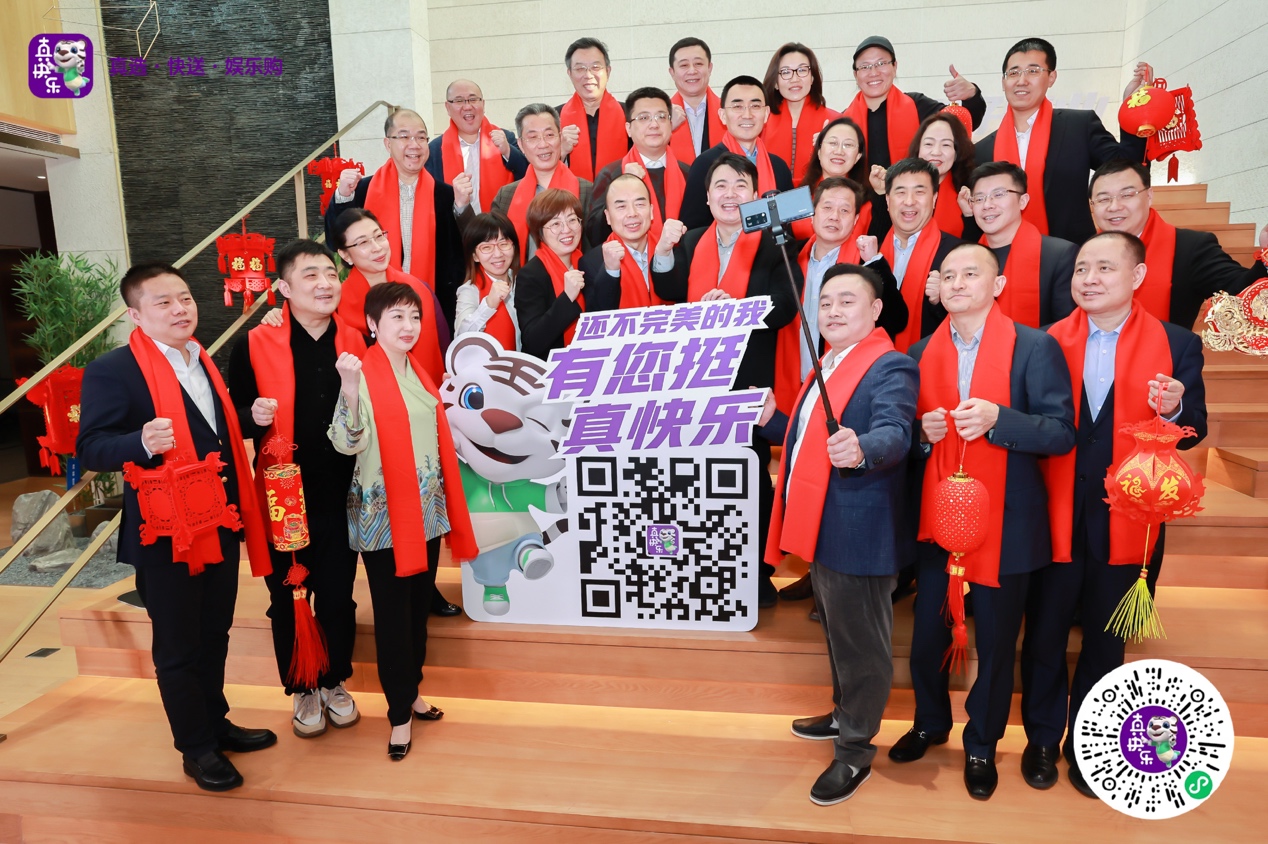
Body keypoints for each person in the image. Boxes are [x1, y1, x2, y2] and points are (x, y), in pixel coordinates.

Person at [1020, 231, 1207, 797]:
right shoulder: (1047, 340)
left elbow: (1195, 425)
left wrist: (1174, 406)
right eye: (1082, 268)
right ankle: (1041, 739)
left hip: (1129, 516)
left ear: (1137, 276)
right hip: (1055, 509)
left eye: (1104, 267)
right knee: (1045, 632)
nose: (1090, 278)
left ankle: (1089, 744)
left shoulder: (1177, 343)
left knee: (1106, 640)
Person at [77, 262, 277, 792]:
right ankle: (196, 747)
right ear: (135, 314)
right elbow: (91, 447)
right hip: (165, 531)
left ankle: (217, 722)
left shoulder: (201, 358)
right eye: (163, 302)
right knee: (178, 644)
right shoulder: (113, 370)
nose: (179, 309)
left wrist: (249, 417)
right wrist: (140, 442)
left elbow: (210, 431)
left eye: (184, 298)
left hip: (219, 520)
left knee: (214, 633)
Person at [894, 243, 1075, 801]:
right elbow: (907, 441)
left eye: (971, 273)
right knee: (927, 634)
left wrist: (1001, 420)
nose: (957, 283)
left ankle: (982, 743)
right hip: (941, 515)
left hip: (1008, 519)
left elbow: (1061, 432)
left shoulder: (1034, 346)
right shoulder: (920, 351)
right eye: (948, 275)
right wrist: (922, 437)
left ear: (997, 286)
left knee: (995, 644)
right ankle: (929, 721)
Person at [761, 264, 919, 806]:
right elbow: (812, 439)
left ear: (875, 310)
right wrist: (774, 420)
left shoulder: (890, 364)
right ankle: (843, 713)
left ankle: (855, 750)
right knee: (837, 633)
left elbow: (895, 432)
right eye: (825, 302)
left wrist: (862, 448)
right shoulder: (829, 364)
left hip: (860, 527)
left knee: (862, 646)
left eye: (847, 301)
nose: (832, 311)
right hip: (823, 521)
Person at [328, 282, 477, 761]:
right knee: (393, 618)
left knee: (416, 611)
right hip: (383, 517)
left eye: (414, 316)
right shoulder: (360, 372)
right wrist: (350, 390)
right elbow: (346, 442)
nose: (409, 326)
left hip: (425, 512)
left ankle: (411, 691)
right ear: (372, 324)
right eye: (396, 316)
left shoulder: (418, 370)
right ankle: (398, 715)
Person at [228, 240, 368, 739]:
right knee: (289, 594)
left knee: (339, 595)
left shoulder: (357, 340)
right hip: (283, 493)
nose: (325, 284)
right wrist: (252, 416)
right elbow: (232, 418)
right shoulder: (253, 343)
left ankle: (334, 680)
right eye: (310, 275)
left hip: (343, 492)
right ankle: (303, 686)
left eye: (330, 273)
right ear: (283, 288)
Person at [651, 152, 799, 607]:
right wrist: (662, 253)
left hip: (749, 382)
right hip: (694, 382)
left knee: (751, 477)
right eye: (720, 185)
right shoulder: (693, 240)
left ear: (754, 194)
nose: (730, 193)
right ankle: (706, 565)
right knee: (699, 479)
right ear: (707, 196)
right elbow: (669, 290)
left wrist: (736, 310)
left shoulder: (774, 240)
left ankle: (758, 572)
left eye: (740, 185)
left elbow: (786, 303)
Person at [974, 38, 1149, 245]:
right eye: (1013, 73)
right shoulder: (982, 151)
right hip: (1003, 256)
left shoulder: (1079, 126)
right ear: (1003, 82)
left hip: (1074, 254)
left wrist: (1134, 109)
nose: (1022, 80)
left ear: (1051, 77)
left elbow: (1128, 168)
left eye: (1033, 71)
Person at [324, 107, 470, 326]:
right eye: (404, 136)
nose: (414, 144)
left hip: (433, 306)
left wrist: (462, 207)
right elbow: (334, 242)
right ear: (387, 144)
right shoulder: (363, 190)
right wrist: (343, 197)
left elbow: (465, 252)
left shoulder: (447, 195)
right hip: (371, 310)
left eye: (421, 137)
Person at [775, 177, 909, 413]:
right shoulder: (788, 258)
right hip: (793, 381)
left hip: (849, 385)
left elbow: (897, 319)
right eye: (827, 207)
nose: (834, 216)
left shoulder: (865, 263)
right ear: (812, 214)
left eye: (844, 210)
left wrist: (875, 263)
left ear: (856, 220)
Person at [1088, 158, 1268, 328]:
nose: (1114, 206)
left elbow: (1240, 292)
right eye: (1103, 199)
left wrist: (1267, 255)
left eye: (1127, 195)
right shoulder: (1080, 252)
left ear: (1149, 196)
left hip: (1166, 350)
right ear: (1092, 205)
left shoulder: (1191, 248)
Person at [328, 208, 447, 385]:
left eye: (379, 236)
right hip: (369, 394)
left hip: (424, 389)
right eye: (363, 243)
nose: (377, 248)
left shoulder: (418, 289)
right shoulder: (336, 303)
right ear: (345, 255)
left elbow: (443, 343)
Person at [843, 35, 986, 173]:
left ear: (894, 66)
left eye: (881, 64)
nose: (873, 72)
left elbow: (964, 125)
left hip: (914, 189)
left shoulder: (917, 105)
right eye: (865, 67)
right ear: (856, 74)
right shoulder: (844, 121)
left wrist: (972, 95)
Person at [964, 161, 1077, 327]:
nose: (987, 205)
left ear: (1023, 201)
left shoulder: (1060, 255)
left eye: (999, 194)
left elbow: (1067, 326)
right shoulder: (965, 258)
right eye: (979, 198)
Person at [867, 158, 962, 352]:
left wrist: (942, 302)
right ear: (887, 200)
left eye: (919, 192)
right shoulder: (870, 254)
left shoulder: (958, 254)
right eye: (900, 192)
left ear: (934, 199)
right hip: (876, 362)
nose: (909, 201)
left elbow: (973, 321)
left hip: (934, 362)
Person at [680, 75, 795, 230]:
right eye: (737, 107)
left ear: (766, 114)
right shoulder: (705, 164)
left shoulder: (778, 167)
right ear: (722, 115)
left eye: (755, 106)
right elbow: (693, 228)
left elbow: (790, 226)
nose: (747, 115)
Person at [516, 188, 618, 358]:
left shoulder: (590, 263)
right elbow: (533, 341)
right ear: (539, 231)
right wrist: (567, 297)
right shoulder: (530, 275)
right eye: (555, 224)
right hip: (550, 368)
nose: (566, 229)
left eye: (572, 220)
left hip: (595, 360)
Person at [585, 87, 690, 246]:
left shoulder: (688, 173)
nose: (654, 124)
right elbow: (594, 234)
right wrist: (623, 184)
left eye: (661, 117)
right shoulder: (611, 174)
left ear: (670, 124)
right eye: (644, 118)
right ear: (628, 129)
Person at [491, 103, 594, 260]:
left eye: (549, 135)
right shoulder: (505, 196)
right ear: (521, 145)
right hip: (523, 275)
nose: (543, 144)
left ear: (560, 138)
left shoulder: (587, 191)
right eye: (533, 137)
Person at [426, 79, 529, 214]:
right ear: (447, 107)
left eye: (473, 99)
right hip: (455, 224)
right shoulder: (434, 151)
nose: (467, 107)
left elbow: (527, 176)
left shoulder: (506, 139)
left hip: (501, 224)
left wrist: (508, 151)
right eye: (459, 101)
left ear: (483, 104)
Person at [579, 174, 680, 309]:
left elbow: (680, 296)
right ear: (608, 217)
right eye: (621, 207)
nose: (632, 213)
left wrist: (664, 254)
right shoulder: (592, 262)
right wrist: (611, 271)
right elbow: (597, 315)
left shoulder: (672, 250)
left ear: (651, 211)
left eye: (639, 204)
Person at [761, 43, 838, 185]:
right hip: (771, 195)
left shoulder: (835, 122)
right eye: (785, 72)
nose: (794, 79)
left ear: (812, 78)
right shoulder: (761, 122)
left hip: (821, 195)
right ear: (776, 82)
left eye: (802, 70)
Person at [558, 37, 629, 181]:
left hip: (621, 193)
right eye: (580, 69)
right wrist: (561, 152)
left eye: (595, 67)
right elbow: (539, 170)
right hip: (571, 194)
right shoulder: (554, 118)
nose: (588, 75)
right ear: (569, 74)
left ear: (608, 71)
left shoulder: (630, 114)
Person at [899, 112, 977, 239]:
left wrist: (969, 216)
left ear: (957, 152)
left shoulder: (971, 192)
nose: (936, 152)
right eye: (929, 144)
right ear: (918, 149)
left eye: (946, 145)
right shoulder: (898, 185)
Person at [799, 116, 877, 239]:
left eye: (848, 145)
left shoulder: (867, 202)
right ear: (819, 151)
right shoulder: (796, 190)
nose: (839, 151)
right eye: (833, 143)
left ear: (858, 156)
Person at [455, 212, 522, 350]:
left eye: (503, 244)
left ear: (514, 247)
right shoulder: (470, 290)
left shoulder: (524, 281)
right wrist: (488, 305)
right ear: (475, 256)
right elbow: (461, 339)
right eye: (486, 247)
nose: (498, 254)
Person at [667, 37, 723, 164]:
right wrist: (666, 128)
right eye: (684, 65)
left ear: (710, 68)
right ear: (672, 72)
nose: (692, 71)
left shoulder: (729, 114)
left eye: (698, 64)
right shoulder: (660, 119)